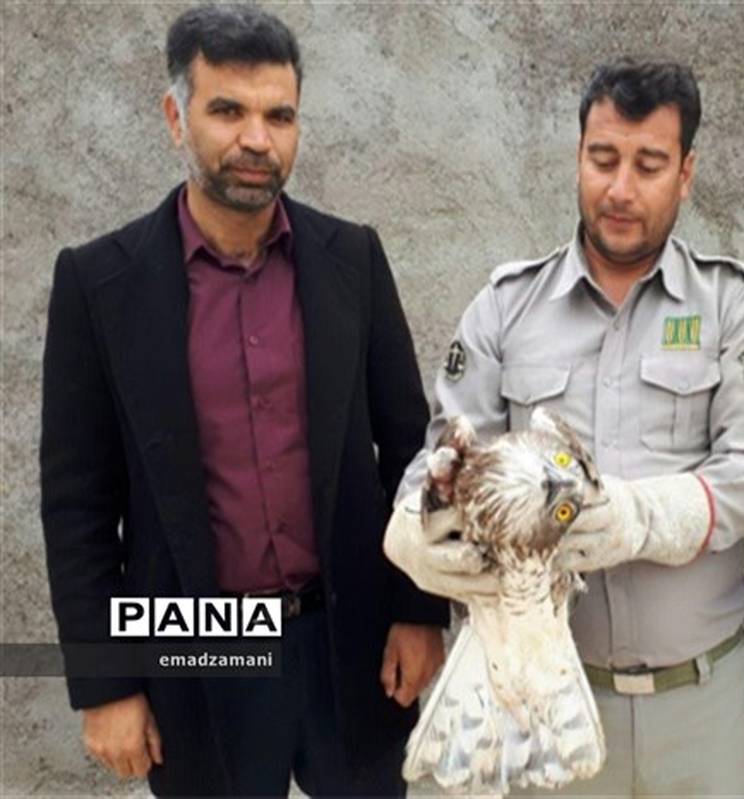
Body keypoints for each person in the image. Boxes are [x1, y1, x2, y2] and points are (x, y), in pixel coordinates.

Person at [39, 5, 446, 795]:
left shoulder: (352, 259)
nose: (257, 139)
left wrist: (419, 608)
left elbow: (410, 451)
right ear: (175, 118)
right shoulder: (100, 284)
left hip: (350, 643)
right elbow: (77, 504)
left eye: (279, 116)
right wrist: (105, 682)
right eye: (228, 111)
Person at [384, 59, 744, 797]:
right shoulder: (506, 306)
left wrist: (642, 516)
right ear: (578, 156)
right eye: (603, 159)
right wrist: (416, 526)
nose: (620, 189)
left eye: (649, 165)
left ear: (686, 172)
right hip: (546, 695)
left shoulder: (729, 304)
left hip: (703, 701)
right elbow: (446, 452)